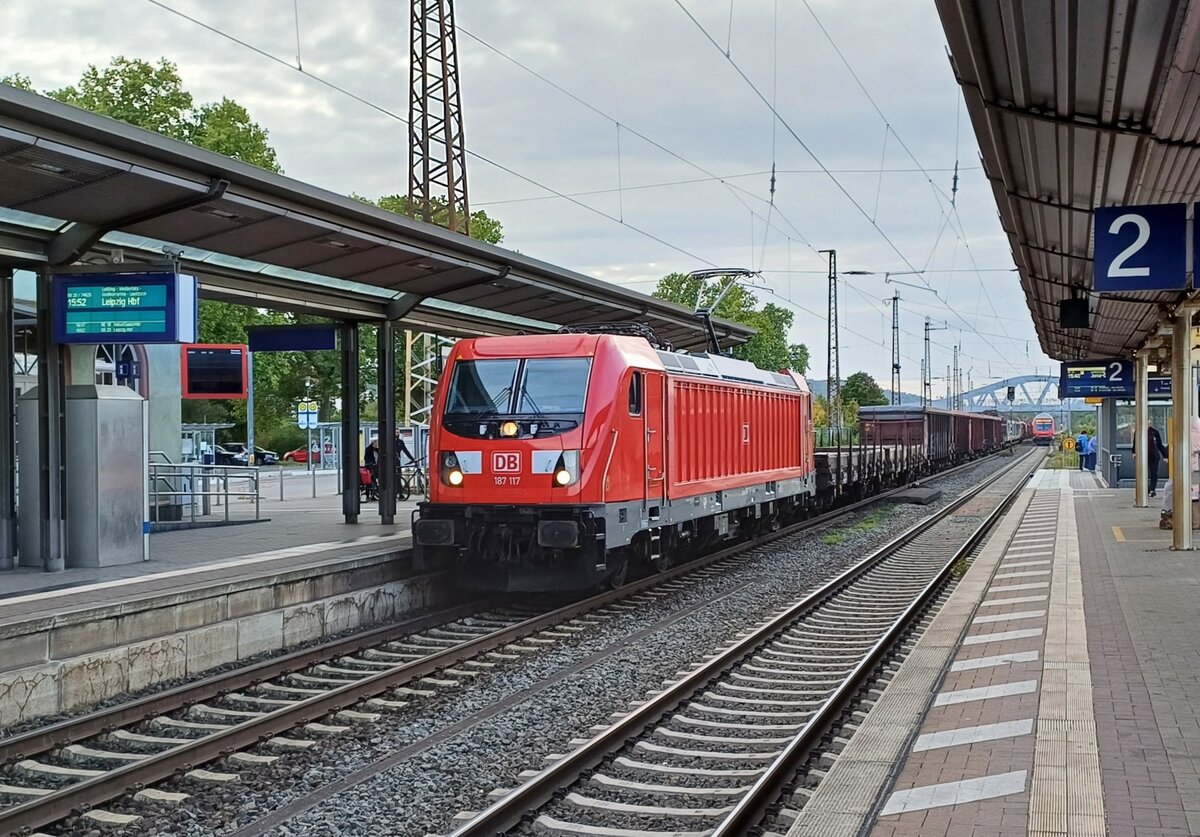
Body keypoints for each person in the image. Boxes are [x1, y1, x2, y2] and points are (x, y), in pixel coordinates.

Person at [1159, 417, 1200, 529]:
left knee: (1172, 488)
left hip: (1182, 466)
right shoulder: (1194, 428)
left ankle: (1170, 516)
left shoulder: (1185, 433)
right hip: (1194, 467)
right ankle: (1195, 520)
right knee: (1194, 491)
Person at [1147, 425, 1168, 498]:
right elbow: (1135, 442)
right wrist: (1134, 451)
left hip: (1154, 456)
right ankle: (1146, 489)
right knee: (1144, 473)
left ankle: (1152, 489)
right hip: (1144, 456)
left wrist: (1165, 455)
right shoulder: (1139, 432)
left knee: (1153, 473)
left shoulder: (1155, 432)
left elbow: (1159, 444)